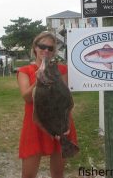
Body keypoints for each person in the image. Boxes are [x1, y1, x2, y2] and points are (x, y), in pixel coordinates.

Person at [17, 31, 78, 178]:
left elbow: (65, 98)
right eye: (42, 46)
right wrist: (39, 81)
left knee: (58, 174)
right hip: (35, 124)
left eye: (50, 48)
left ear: (54, 51)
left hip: (60, 123)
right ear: (35, 48)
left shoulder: (62, 70)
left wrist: (65, 125)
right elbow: (26, 97)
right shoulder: (24, 71)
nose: (46, 50)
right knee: (28, 175)